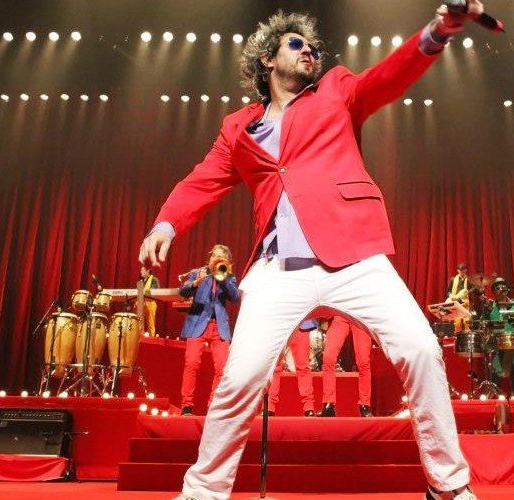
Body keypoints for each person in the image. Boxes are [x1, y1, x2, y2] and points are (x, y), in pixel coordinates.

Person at [139, 5, 493, 499]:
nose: (310, 51)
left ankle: (448, 487)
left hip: (355, 256)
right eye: (296, 44)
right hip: (279, 268)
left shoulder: (336, 91)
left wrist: (437, 32)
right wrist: (166, 223)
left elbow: (387, 77)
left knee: (420, 350)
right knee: (240, 378)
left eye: (313, 47)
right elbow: (204, 178)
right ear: (268, 59)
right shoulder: (238, 127)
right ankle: (203, 491)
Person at [178, 244, 239, 416]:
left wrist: (223, 277)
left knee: (222, 367)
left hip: (218, 326)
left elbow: (234, 296)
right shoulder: (199, 272)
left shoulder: (228, 276)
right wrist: (195, 283)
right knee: (191, 364)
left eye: (220, 256)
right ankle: (187, 405)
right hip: (197, 323)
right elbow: (183, 291)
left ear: (227, 261)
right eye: (214, 255)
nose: (216, 258)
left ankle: (213, 405)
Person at [317, 315, 375, 417]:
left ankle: (365, 404)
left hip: (360, 316)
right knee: (328, 358)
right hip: (340, 315)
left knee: (363, 362)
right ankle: (328, 403)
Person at [267, 319, 317, 416]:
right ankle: (270, 407)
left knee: (303, 366)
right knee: (275, 367)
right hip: (279, 324)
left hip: (300, 324)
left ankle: (309, 407)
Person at [484, 276, 514, 384]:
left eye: (503, 286)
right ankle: (496, 392)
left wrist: (509, 313)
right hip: (495, 343)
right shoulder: (490, 306)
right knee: (495, 371)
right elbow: (483, 322)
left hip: (511, 342)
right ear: (494, 292)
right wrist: (486, 311)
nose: (501, 289)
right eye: (498, 287)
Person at [446, 263, 476, 332]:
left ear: (466, 270)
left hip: (465, 302)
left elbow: (474, 287)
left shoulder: (469, 279)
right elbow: (448, 291)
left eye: (463, 269)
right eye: (460, 270)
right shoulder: (453, 279)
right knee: (457, 320)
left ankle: (466, 333)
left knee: (466, 320)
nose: (462, 271)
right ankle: (458, 333)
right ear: (457, 270)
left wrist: (467, 292)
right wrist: (451, 296)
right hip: (455, 301)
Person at [137, 265, 160, 336]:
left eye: (142, 270)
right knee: (139, 322)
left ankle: (151, 339)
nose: (141, 272)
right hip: (141, 303)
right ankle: (140, 337)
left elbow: (155, 291)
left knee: (150, 323)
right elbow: (138, 294)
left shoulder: (154, 280)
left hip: (151, 302)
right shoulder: (140, 282)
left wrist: (144, 291)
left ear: (147, 271)